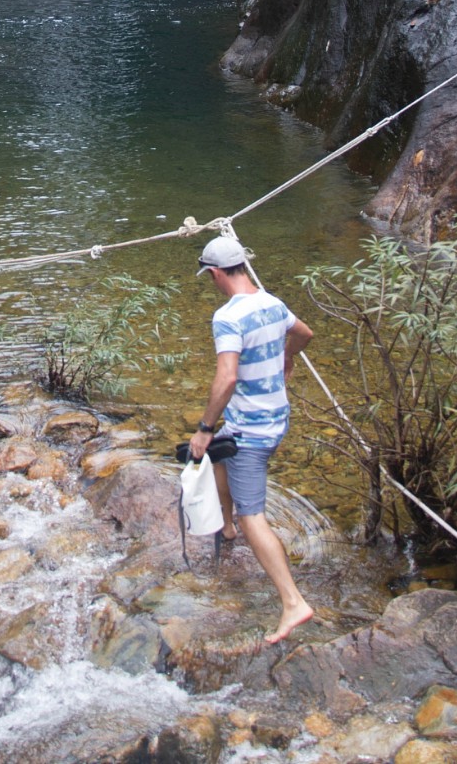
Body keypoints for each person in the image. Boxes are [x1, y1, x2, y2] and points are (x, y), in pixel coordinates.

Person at [189, 233, 316, 644]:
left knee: (253, 515)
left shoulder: (227, 317)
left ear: (215, 273)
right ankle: (225, 530)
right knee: (221, 459)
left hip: (252, 430)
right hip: (276, 418)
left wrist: (204, 428)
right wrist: (288, 356)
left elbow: (226, 377)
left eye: (209, 276)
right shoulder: (272, 304)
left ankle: (293, 602)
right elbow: (306, 333)